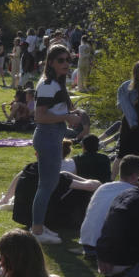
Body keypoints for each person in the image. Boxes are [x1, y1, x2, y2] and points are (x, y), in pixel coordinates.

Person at [31, 44, 83, 244]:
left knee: (49, 184)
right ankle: (36, 230)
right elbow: (40, 115)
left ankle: (40, 225)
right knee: (46, 186)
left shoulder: (57, 83)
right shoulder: (47, 84)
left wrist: (71, 114)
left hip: (53, 135)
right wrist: (67, 117)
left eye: (68, 60)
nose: (66, 64)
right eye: (61, 60)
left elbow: (56, 111)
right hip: (47, 136)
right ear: (50, 62)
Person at [79, 155, 139, 257]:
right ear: (134, 177)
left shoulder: (104, 186)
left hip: (87, 244)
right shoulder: (134, 193)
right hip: (105, 249)